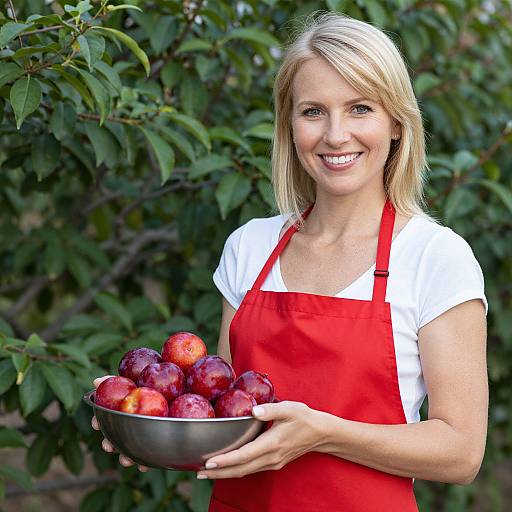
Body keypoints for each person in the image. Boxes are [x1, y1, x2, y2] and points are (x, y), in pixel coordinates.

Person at [93, 11, 488, 511]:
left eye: (361, 108)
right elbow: (224, 415)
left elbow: (461, 452)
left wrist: (322, 434)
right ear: (290, 124)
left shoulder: (436, 257)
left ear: (396, 123)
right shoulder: (250, 247)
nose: (336, 134)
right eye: (314, 111)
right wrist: (150, 427)